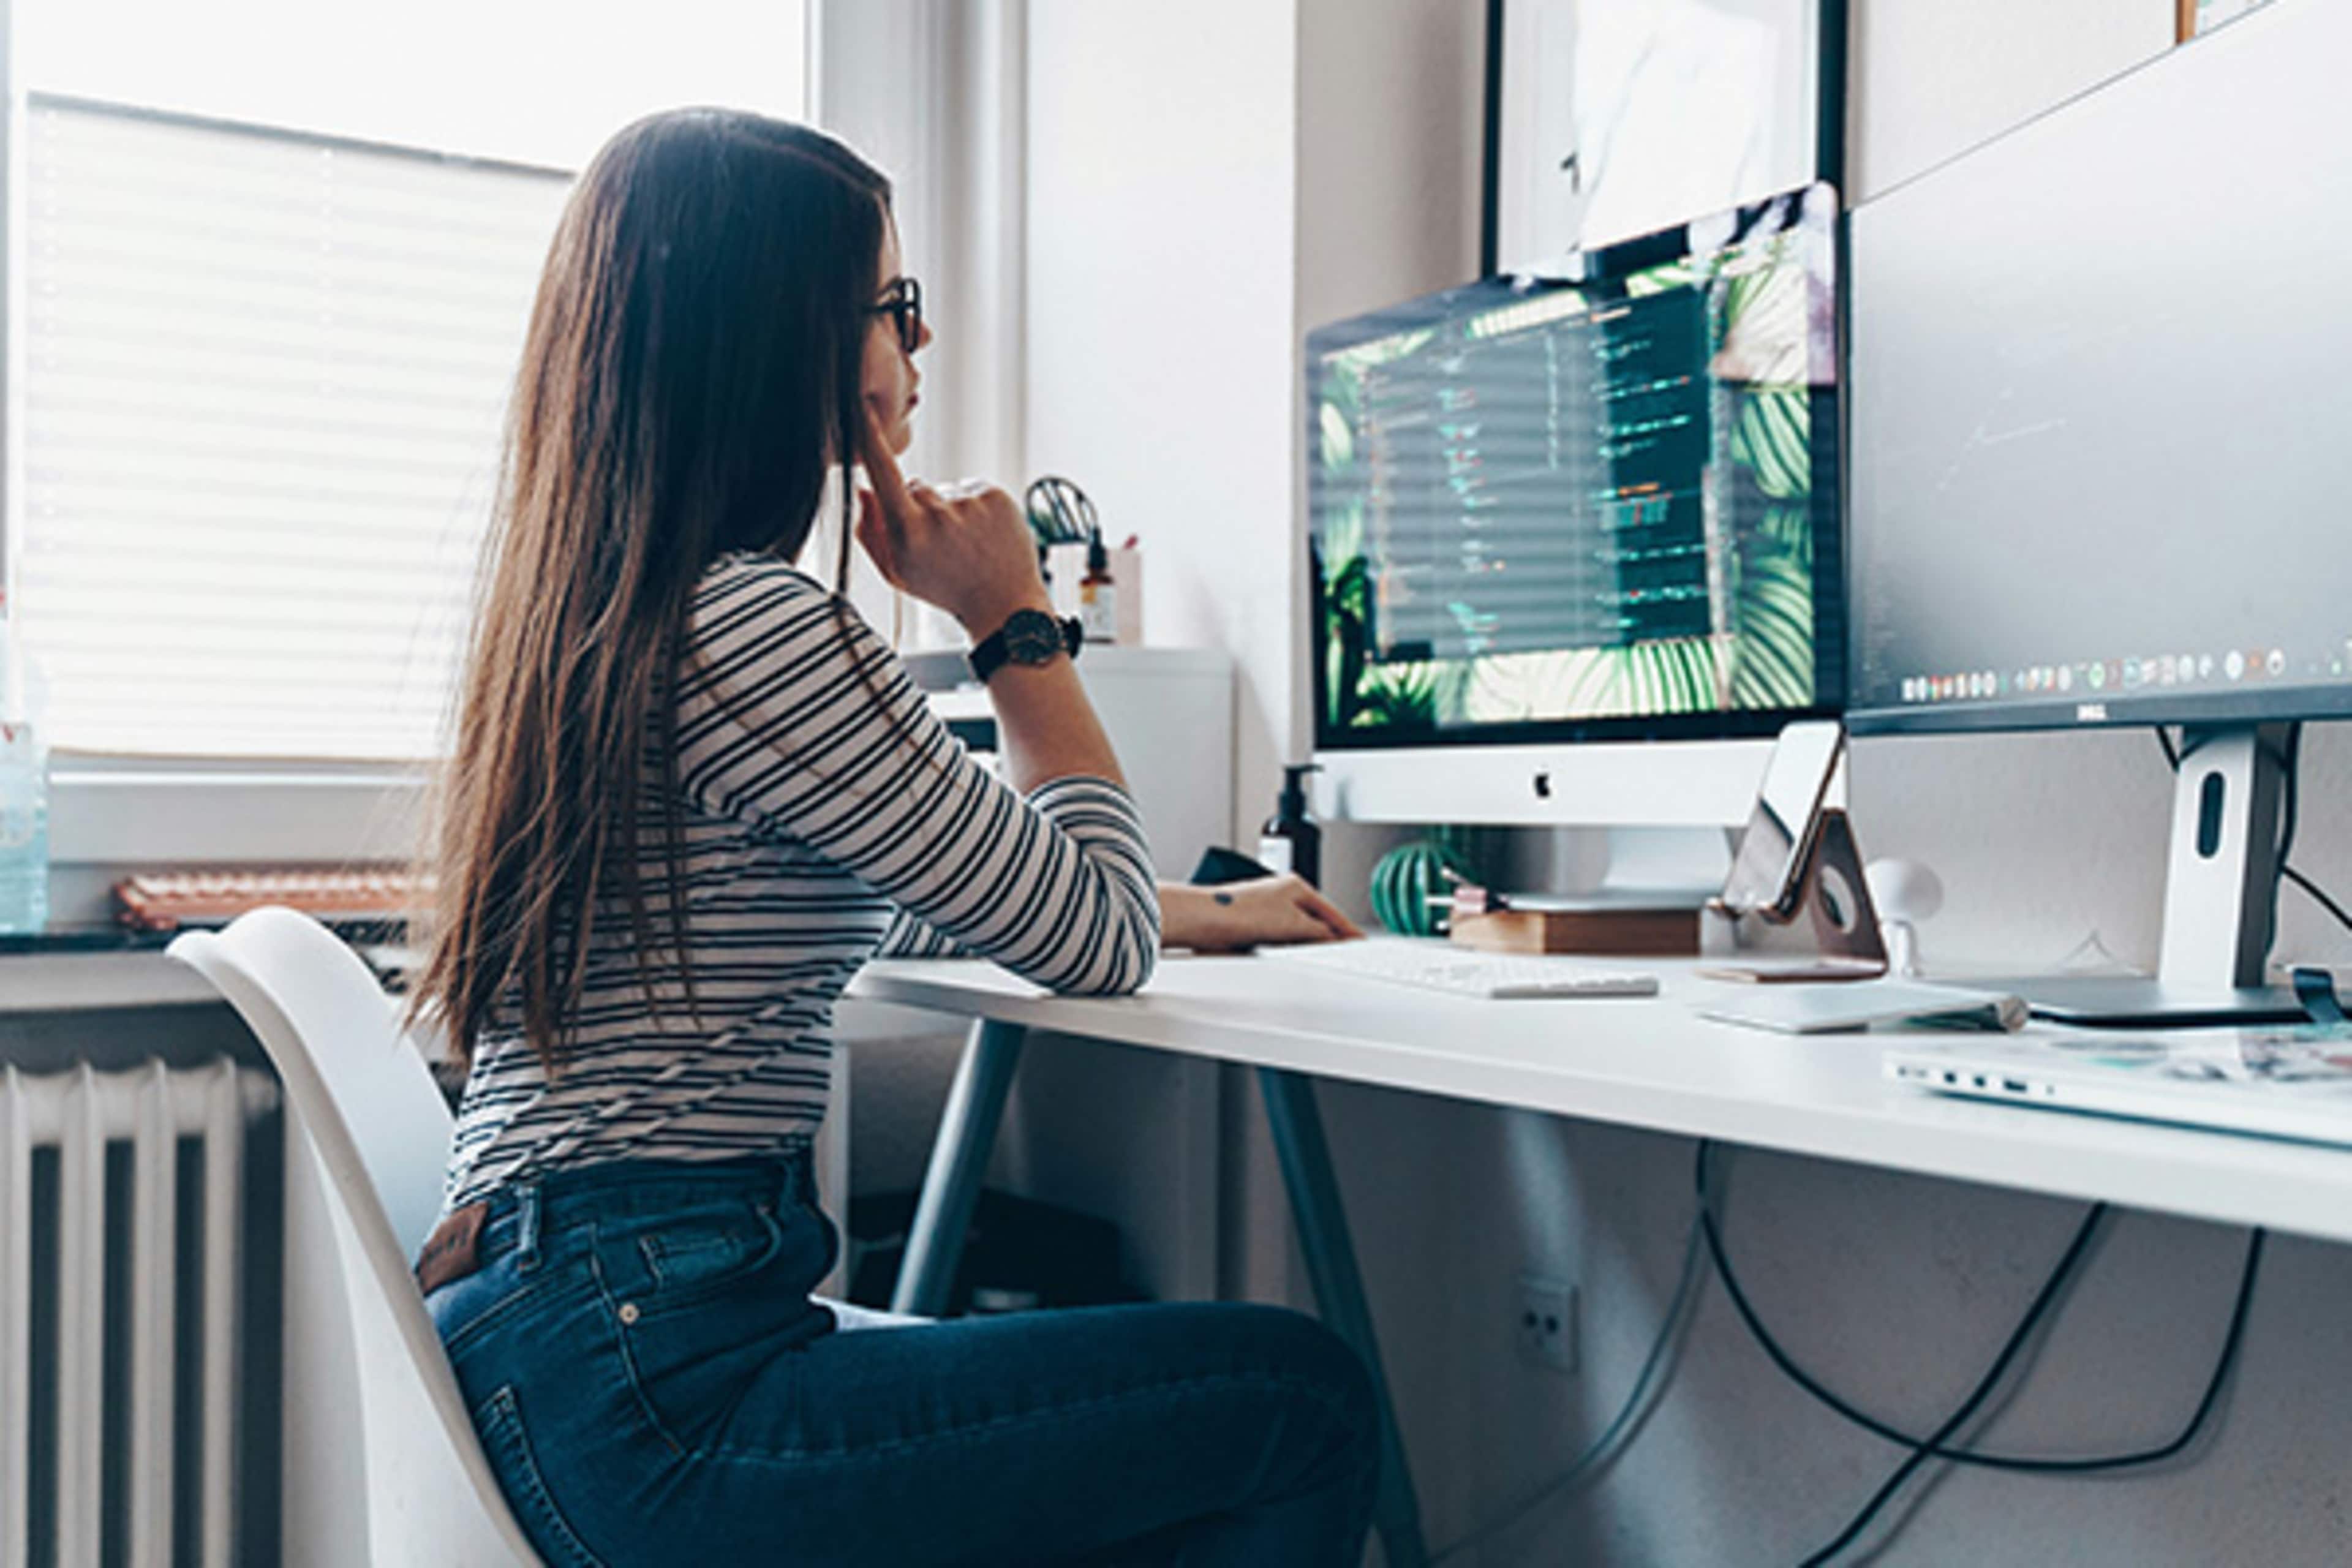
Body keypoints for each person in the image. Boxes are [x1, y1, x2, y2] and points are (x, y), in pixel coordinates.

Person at [407, 107, 1378, 1567]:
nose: (918, 350)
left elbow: (906, 894)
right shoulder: (759, 628)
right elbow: (1091, 942)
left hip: (552, 1344)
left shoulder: (610, 622)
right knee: (1295, 1400)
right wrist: (1012, 623)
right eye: (895, 307)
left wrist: (1210, 907)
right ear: (786, 331)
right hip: (653, 1384)